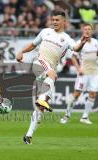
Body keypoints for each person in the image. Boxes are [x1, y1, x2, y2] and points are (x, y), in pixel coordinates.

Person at [16, 10, 89, 144]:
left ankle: (28, 136)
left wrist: (83, 42)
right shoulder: (45, 32)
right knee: (53, 75)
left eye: (57, 20)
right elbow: (33, 45)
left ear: (64, 22)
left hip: (47, 73)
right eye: (53, 20)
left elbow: (75, 47)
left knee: (41, 109)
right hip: (39, 63)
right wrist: (21, 51)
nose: (54, 22)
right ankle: (42, 98)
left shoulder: (66, 38)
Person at [60, 23, 98, 125]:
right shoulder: (80, 43)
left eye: (89, 29)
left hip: (94, 73)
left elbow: (97, 53)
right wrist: (78, 68)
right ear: (82, 31)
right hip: (83, 73)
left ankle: (85, 117)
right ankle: (67, 115)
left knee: (93, 94)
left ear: (92, 31)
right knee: (77, 94)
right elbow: (73, 57)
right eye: (85, 29)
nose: (87, 31)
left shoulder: (95, 42)